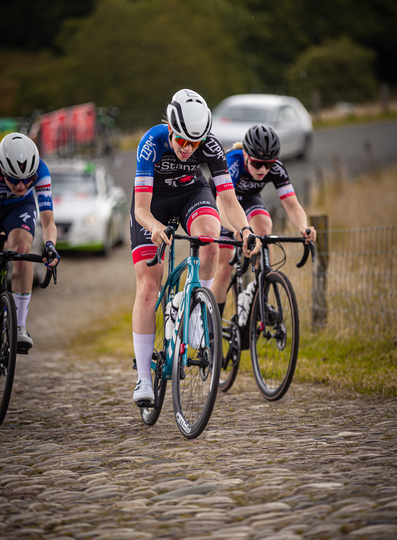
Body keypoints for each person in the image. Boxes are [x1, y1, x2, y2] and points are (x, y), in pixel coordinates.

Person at [130, 89, 260, 405]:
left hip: (191, 195)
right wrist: (156, 228)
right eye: (183, 142)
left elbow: (228, 200)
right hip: (153, 206)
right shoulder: (152, 143)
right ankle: (143, 379)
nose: (188, 149)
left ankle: (191, 308)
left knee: (211, 242)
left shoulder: (210, 146)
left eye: (195, 143)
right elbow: (141, 209)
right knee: (148, 287)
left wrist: (244, 229)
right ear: (171, 131)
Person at [210, 124, 316, 314]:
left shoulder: (275, 167)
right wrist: (236, 229)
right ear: (245, 156)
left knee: (265, 228)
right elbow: (222, 204)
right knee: (224, 267)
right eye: (258, 164)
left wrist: (303, 226)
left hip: (249, 199)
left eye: (268, 164)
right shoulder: (232, 162)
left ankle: (261, 297)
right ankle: (212, 327)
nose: (263, 169)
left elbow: (292, 204)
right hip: (224, 205)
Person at [0, 133, 60, 351]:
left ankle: (19, 327)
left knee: (22, 252)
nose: (22, 185)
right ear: (2, 169)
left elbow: (48, 220)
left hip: (18, 208)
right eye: (14, 179)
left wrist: (50, 246)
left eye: (27, 179)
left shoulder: (41, 170)